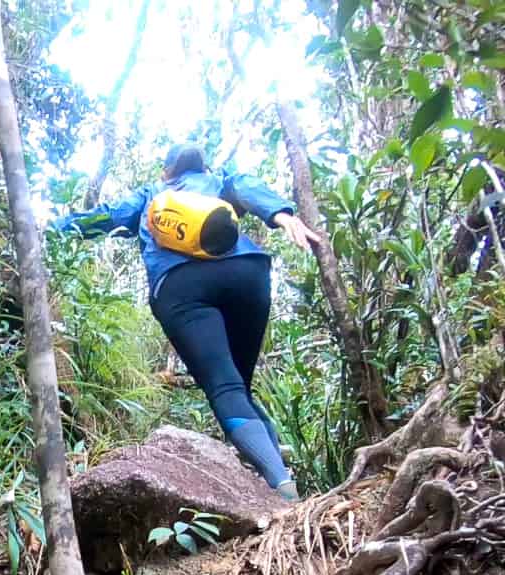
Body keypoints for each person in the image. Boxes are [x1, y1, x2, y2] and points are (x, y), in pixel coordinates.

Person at [54, 143, 323, 501]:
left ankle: (283, 491)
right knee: (238, 388)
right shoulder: (219, 179)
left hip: (181, 286)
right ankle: (279, 475)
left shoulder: (153, 194)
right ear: (201, 164)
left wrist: (54, 229)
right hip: (246, 273)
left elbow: (108, 216)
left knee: (225, 390)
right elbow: (246, 185)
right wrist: (283, 215)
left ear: (167, 171)